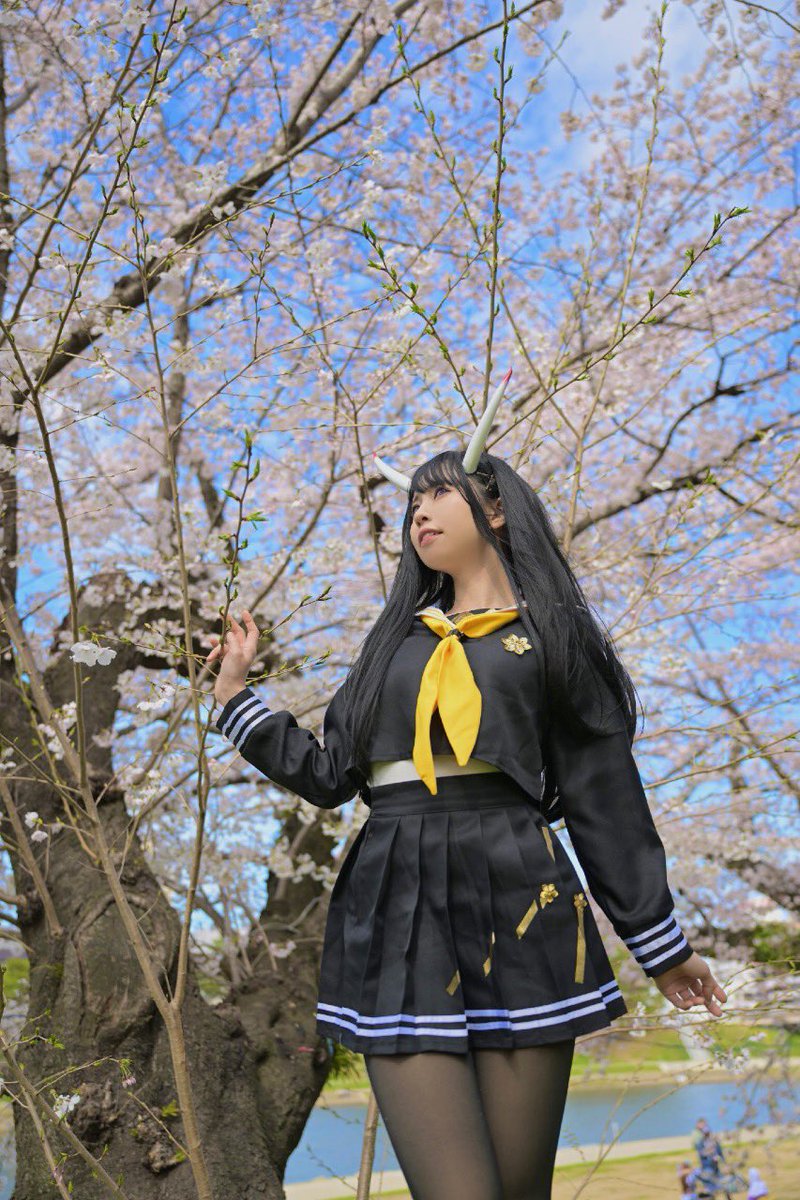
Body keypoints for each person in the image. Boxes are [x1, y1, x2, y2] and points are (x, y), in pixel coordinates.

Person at [206, 371, 728, 1200]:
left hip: (522, 895)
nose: (418, 512)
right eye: (411, 501)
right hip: (398, 897)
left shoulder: (555, 640)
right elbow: (329, 774)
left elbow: (604, 800)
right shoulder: (393, 644)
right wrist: (238, 695)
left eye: (437, 494)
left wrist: (661, 947)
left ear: (495, 510)